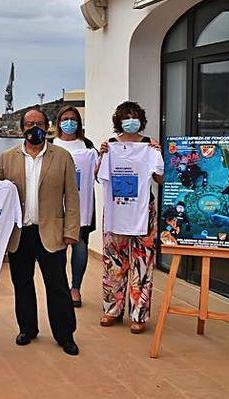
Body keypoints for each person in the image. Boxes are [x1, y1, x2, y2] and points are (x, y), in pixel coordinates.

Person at [0, 109, 80, 356]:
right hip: (19, 233)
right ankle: (27, 328)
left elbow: (72, 197)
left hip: (52, 232)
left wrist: (71, 231)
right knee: (22, 284)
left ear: (48, 127)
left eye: (39, 124)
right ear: (22, 128)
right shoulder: (7, 157)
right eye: (30, 124)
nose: (35, 128)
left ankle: (65, 335)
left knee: (58, 286)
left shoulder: (62, 156)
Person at [96, 101, 163, 334]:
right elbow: (100, 177)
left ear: (141, 119)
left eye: (135, 116)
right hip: (117, 211)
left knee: (143, 262)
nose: (131, 120)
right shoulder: (111, 146)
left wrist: (158, 155)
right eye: (127, 116)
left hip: (144, 211)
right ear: (119, 120)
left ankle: (139, 314)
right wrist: (102, 156)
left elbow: (160, 180)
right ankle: (111, 309)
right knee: (113, 262)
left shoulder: (149, 145)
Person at [52, 106, 97, 308]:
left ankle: (75, 288)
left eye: (73, 118)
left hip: (81, 207)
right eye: (65, 118)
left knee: (80, 247)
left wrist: (103, 155)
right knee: (56, 251)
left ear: (78, 122)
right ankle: (59, 287)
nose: (69, 122)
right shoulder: (50, 145)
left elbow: (98, 173)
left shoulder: (87, 146)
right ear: (58, 122)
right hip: (54, 209)